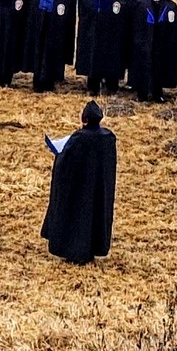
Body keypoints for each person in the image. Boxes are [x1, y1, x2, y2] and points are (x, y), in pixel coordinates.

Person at [41, 101, 118, 266]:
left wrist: (58, 155)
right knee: (94, 217)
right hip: (97, 188)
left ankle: (75, 251)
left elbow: (65, 160)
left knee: (78, 218)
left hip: (79, 188)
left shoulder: (79, 138)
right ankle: (91, 249)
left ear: (84, 119)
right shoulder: (108, 137)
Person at [74, 0, 127, 96]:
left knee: (110, 62)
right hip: (92, 36)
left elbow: (120, 19)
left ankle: (111, 87)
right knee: (93, 62)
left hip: (110, 37)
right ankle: (92, 88)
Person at [27, 0, 74, 92]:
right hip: (38, 30)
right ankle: (37, 82)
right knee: (38, 55)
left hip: (54, 31)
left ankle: (49, 83)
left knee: (51, 57)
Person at [129, 0, 177, 101]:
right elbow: (135, 25)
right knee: (143, 69)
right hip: (145, 43)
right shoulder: (141, 5)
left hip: (161, 45)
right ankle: (142, 93)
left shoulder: (170, 6)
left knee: (160, 69)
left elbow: (174, 27)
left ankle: (158, 94)